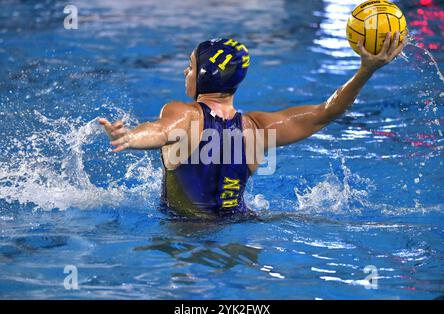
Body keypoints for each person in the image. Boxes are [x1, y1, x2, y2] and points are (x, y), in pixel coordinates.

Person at [99, 33, 405, 217]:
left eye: (191, 66)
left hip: (185, 235)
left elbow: (162, 129)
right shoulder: (256, 128)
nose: (185, 71)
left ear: (205, 75)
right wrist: (367, 69)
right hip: (242, 225)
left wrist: (130, 136)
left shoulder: (185, 114)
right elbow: (323, 114)